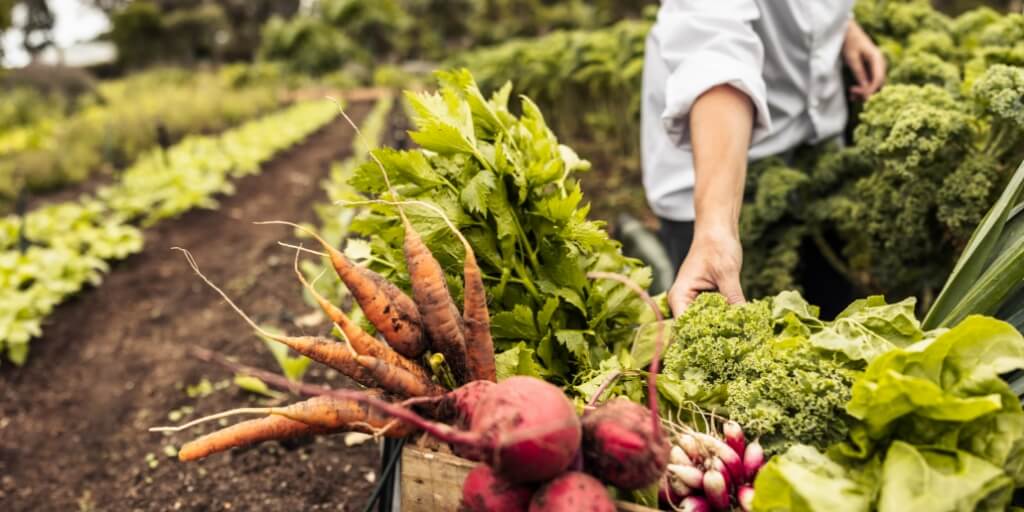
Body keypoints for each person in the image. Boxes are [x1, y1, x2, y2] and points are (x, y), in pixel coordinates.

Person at [641, 1, 886, 316]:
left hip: (814, 146)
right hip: (714, 167)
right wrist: (715, 231)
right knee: (728, 323)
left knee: (831, 305)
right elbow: (716, 56)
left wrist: (841, 27)